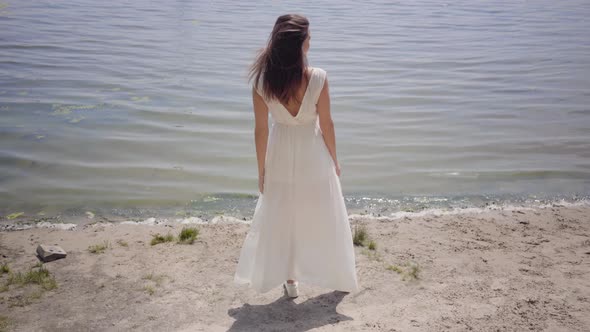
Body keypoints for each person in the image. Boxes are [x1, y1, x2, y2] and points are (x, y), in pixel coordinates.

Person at [233, 14, 359, 298]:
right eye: (309, 37)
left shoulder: (262, 81)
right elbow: (327, 124)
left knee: (283, 215)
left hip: (279, 153)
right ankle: (338, 273)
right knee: (325, 212)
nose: (311, 40)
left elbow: (261, 130)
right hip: (313, 153)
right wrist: (335, 159)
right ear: (300, 43)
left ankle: (290, 282)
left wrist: (261, 170)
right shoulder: (318, 78)